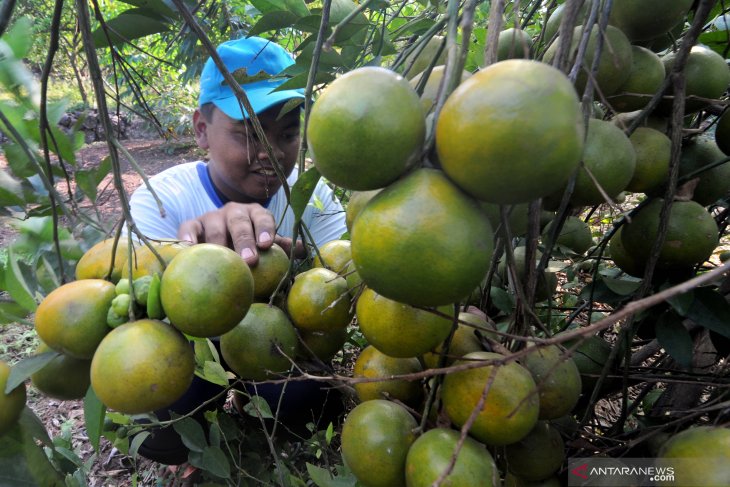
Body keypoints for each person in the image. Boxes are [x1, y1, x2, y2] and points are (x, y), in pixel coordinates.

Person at [127, 36, 348, 466]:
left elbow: (342, 281)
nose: (269, 154)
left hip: (270, 347)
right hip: (194, 351)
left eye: (286, 134)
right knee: (160, 411)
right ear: (201, 129)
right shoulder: (163, 200)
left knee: (309, 398)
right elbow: (140, 315)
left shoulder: (311, 195)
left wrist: (294, 257)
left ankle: (258, 421)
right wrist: (189, 257)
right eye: (248, 135)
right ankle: (194, 447)